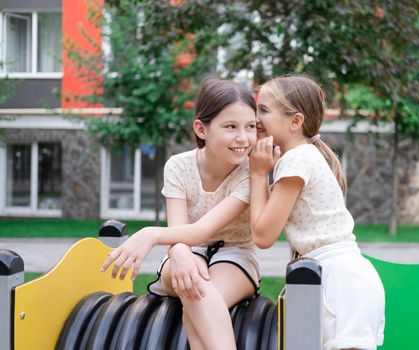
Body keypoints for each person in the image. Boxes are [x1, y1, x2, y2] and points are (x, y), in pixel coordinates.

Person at [101, 78, 260, 350]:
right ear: (201, 128)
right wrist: (180, 253)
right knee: (195, 294)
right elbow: (180, 232)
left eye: (251, 127)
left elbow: (203, 230)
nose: (243, 138)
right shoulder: (179, 166)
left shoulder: (251, 172)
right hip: (185, 250)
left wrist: (151, 234)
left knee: (197, 299)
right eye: (230, 127)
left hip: (236, 255)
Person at [250, 75, 385, 350]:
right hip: (342, 279)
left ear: (295, 121)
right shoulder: (304, 155)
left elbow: (263, 235)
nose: (255, 118)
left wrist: (257, 173)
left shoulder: (296, 159)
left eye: (263, 110)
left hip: (338, 283)